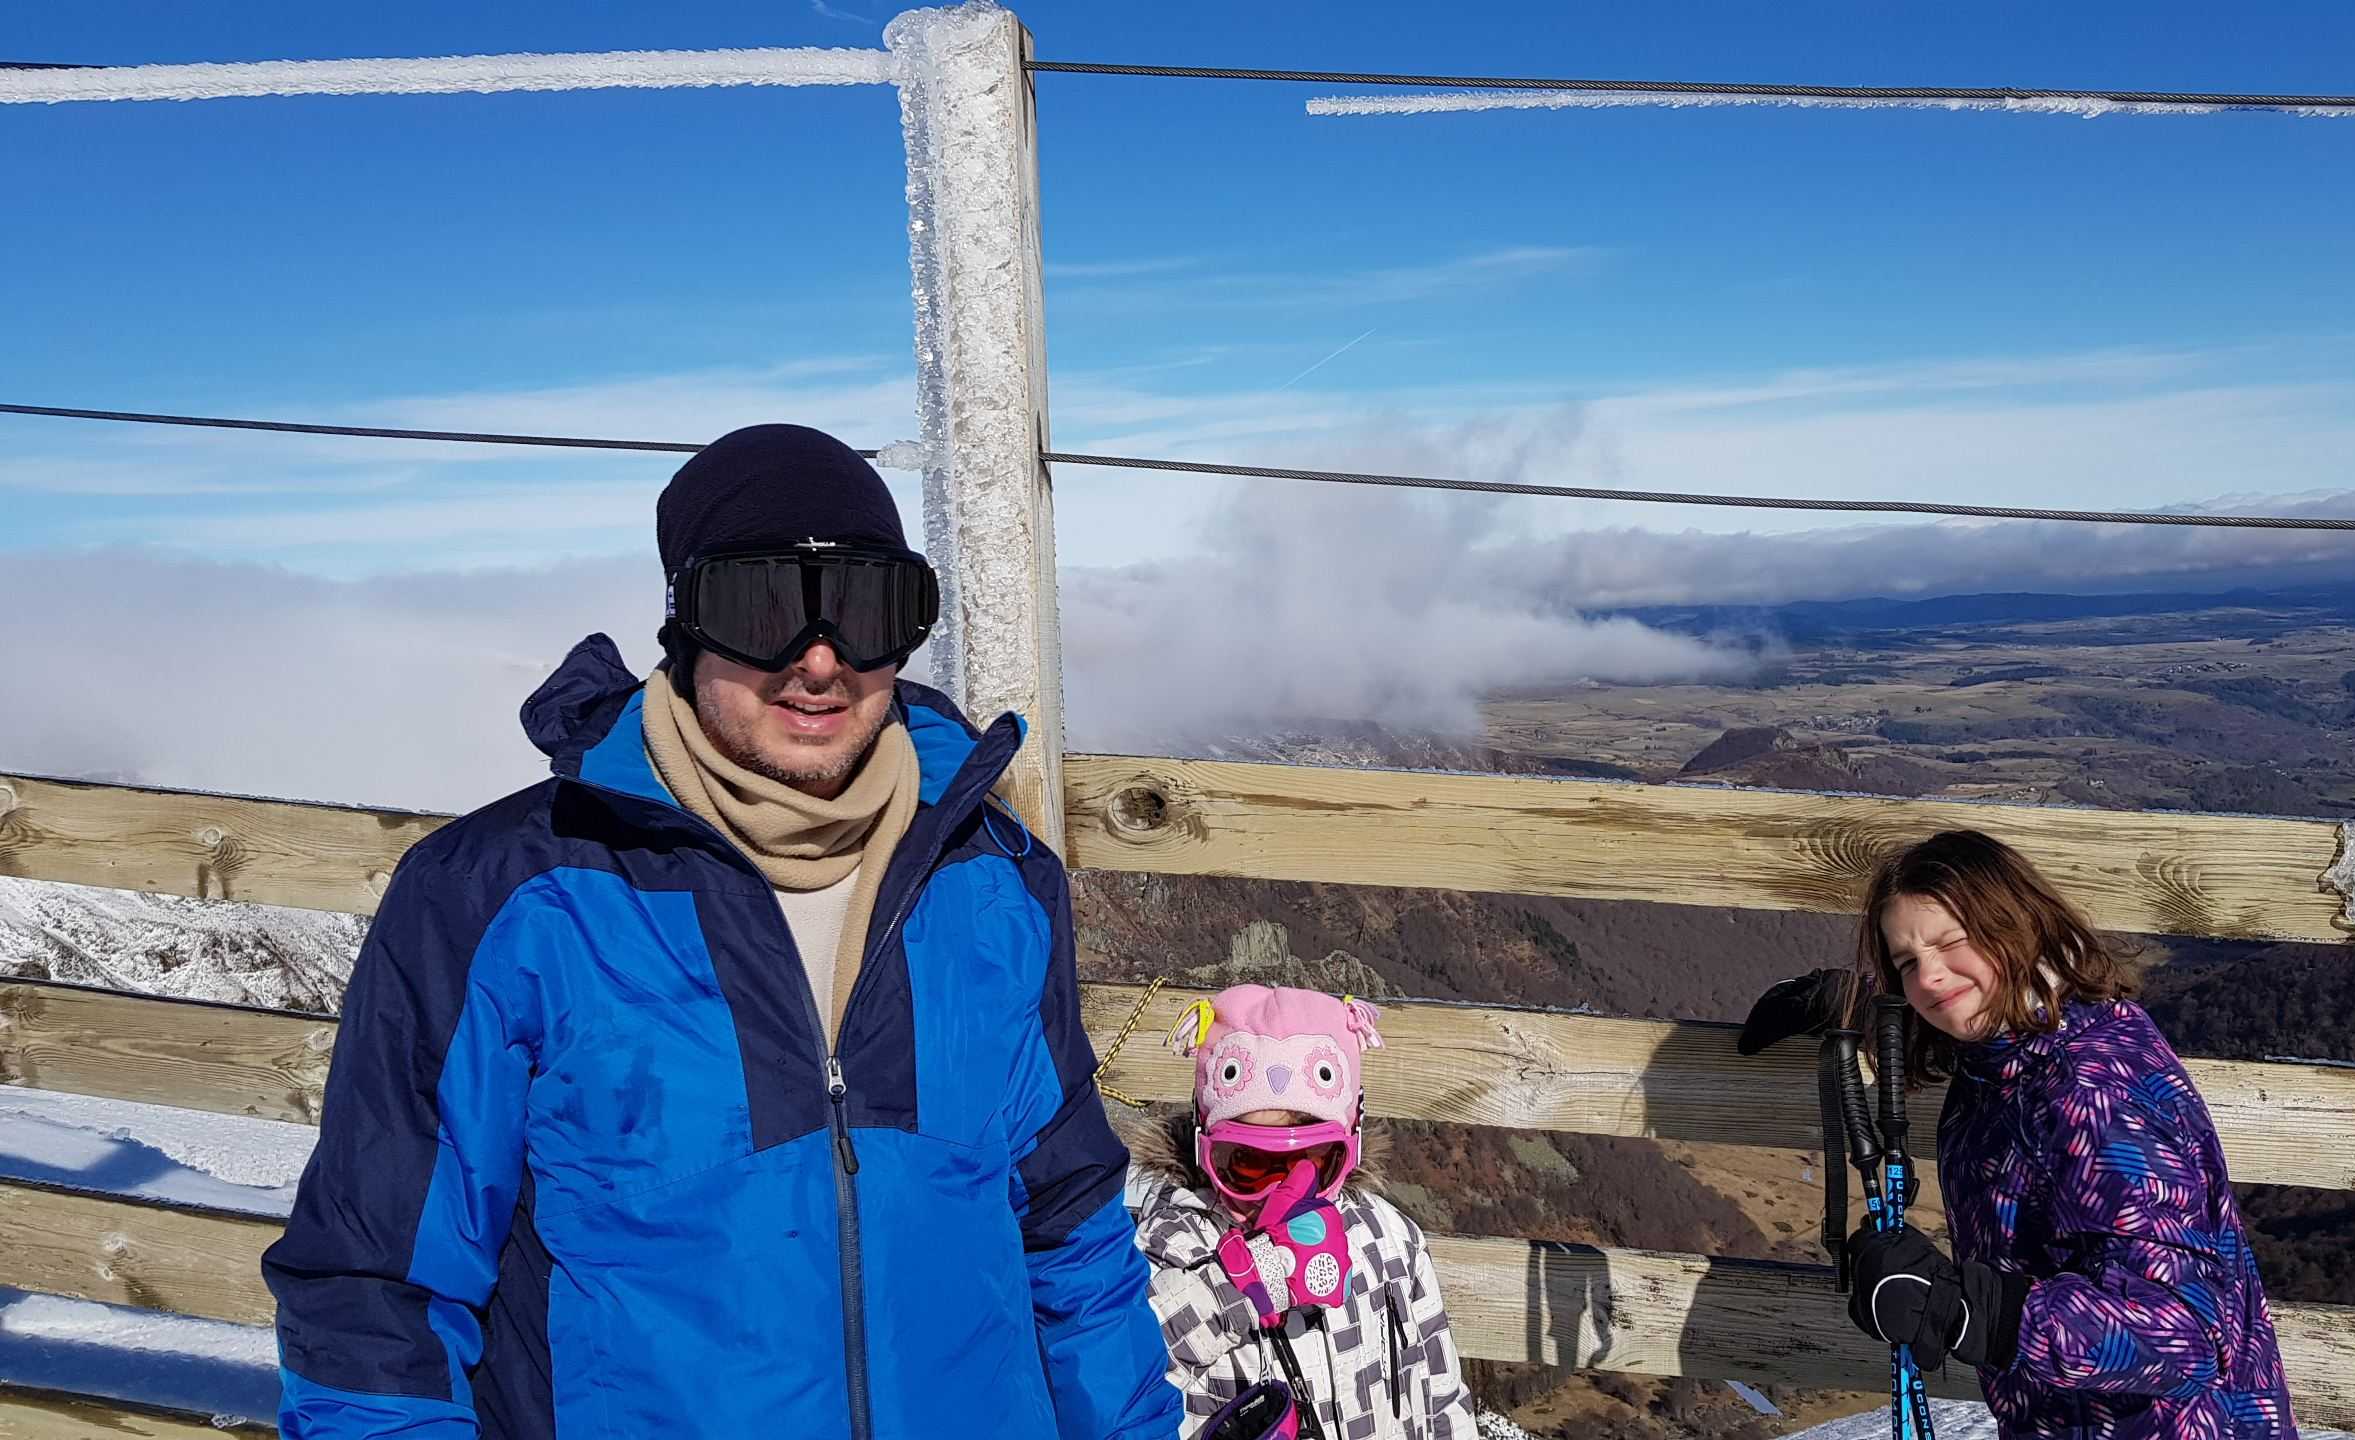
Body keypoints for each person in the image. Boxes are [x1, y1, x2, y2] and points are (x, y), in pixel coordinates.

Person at [263, 424, 1181, 1439]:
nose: (820, 660)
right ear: (685, 624)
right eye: (762, 607)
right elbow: (378, 1290)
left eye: (868, 608)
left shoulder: (994, 884)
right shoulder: (508, 900)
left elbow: (1068, 1232)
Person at [1744, 830, 2296, 1439]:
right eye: (1907, 962)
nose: (1930, 978)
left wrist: (1971, 1311)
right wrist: (1859, 1005)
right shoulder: (2027, 1040)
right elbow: (1967, 1018)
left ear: (2015, 925)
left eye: (1951, 943)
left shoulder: (2091, 1095)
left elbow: (2186, 1335)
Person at [1130, 985, 1478, 1440]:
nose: (1281, 1191)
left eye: (1312, 1164)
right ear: (1204, 1146)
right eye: (1248, 1163)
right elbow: (1120, 1372)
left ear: (1351, 1143)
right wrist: (1240, 1285)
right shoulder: (1171, 1247)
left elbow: (1443, 1396)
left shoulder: (1388, 1238)